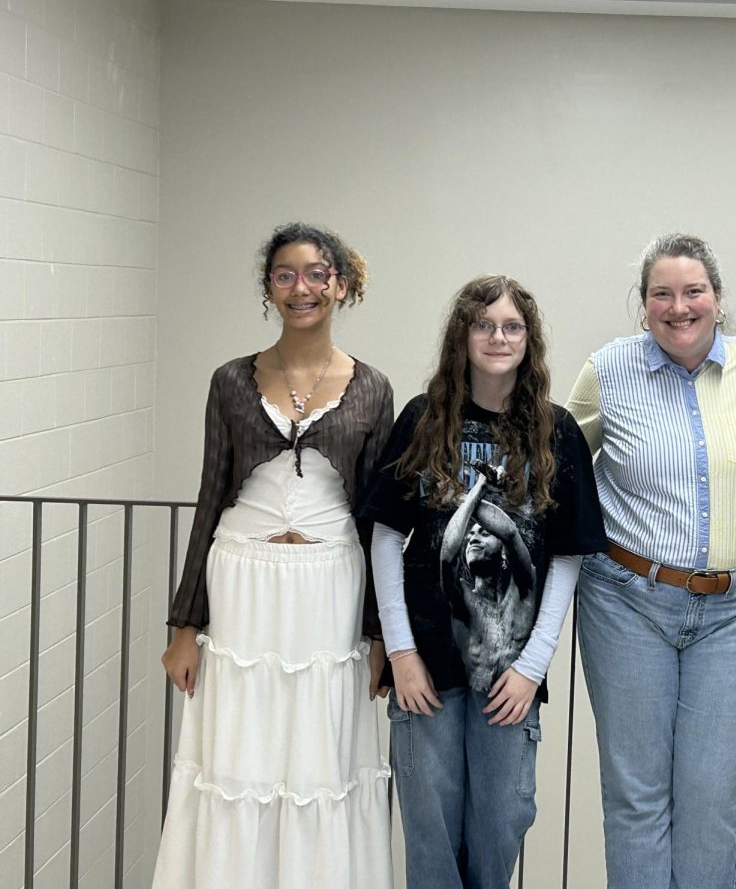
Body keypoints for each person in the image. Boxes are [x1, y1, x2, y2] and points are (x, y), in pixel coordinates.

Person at [153, 224, 394, 889]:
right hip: (243, 587)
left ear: (341, 285)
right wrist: (184, 627)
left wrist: (379, 635)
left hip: (330, 590)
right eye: (285, 275)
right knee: (239, 756)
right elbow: (208, 499)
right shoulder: (230, 380)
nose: (302, 288)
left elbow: (376, 523)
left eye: (317, 274)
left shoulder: (373, 388)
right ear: (268, 289)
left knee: (321, 762)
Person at [565, 233, 736, 889]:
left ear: (718, 300)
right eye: (662, 294)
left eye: (693, 291)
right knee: (637, 798)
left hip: (733, 613)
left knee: (711, 801)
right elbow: (552, 473)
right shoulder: (608, 371)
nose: (679, 307)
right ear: (643, 308)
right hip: (624, 603)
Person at [356, 275, 606, 889]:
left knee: (501, 824)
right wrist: (402, 653)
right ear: (462, 336)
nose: (498, 337)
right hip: (427, 671)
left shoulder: (556, 433)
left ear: (529, 340)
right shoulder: (422, 420)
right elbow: (386, 536)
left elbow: (567, 559)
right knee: (431, 834)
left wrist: (533, 666)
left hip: (509, 677)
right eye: (484, 324)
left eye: (512, 326)